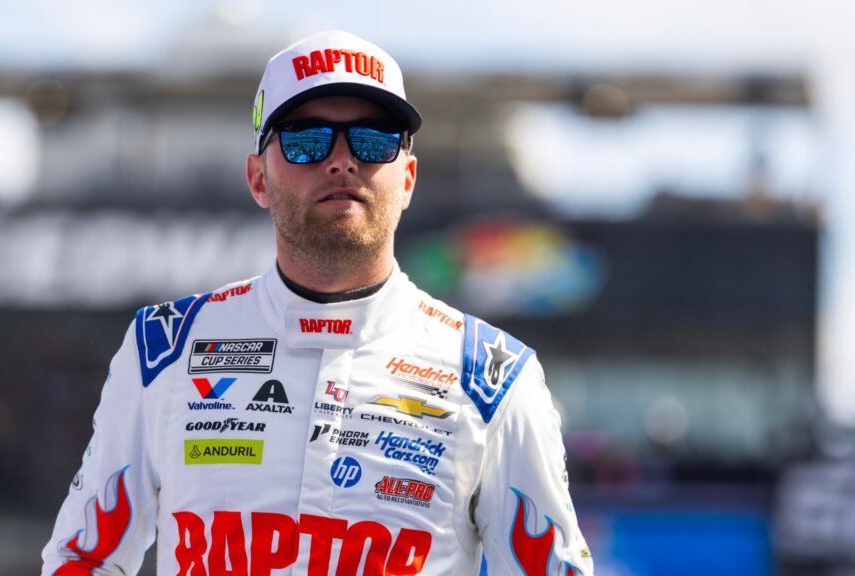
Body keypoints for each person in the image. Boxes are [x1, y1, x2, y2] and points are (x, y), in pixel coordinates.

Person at [41, 30, 593, 576]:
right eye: (308, 139)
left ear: (408, 179)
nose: (341, 160)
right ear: (258, 178)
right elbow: (82, 557)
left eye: (374, 139)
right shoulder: (165, 348)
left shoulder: (493, 376)